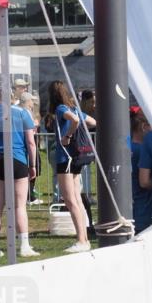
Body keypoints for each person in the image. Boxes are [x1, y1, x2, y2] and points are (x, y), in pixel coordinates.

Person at [0, 91, 40, 258]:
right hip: (17, 158)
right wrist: (33, 165)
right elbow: (31, 142)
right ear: (13, 98)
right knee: (19, 205)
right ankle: (24, 245)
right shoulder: (22, 113)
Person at [48, 80, 97, 253]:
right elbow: (91, 121)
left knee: (71, 200)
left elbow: (75, 121)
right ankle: (84, 239)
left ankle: (81, 240)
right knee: (77, 199)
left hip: (65, 158)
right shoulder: (75, 109)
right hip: (75, 158)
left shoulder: (61, 109)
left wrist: (68, 135)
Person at [128, 108, 152, 234]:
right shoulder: (142, 151)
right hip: (144, 208)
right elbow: (144, 182)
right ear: (144, 127)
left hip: (132, 205)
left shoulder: (127, 145)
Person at [19, 92, 43, 204]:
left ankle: (30, 194)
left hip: (28, 144)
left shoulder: (25, 112)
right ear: (27, 102)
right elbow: (29, 130)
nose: (33, 102)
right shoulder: (25, 113)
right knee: (32, 170)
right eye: (31, 100)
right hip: (29, 145)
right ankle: (29, 197)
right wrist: (35, 125)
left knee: (34, 170)